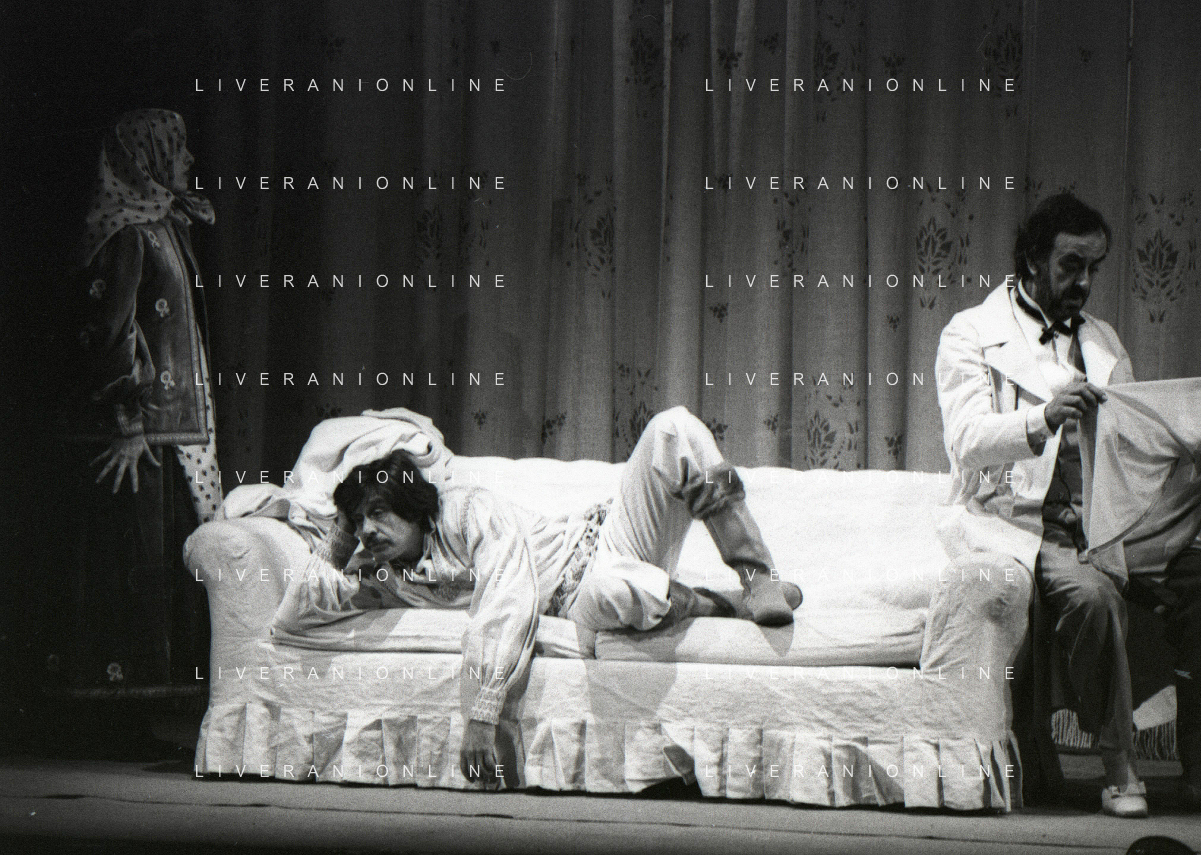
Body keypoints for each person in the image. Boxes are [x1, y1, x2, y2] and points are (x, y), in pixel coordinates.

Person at [273, 406, 802, 785]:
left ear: (412, 506)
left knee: (672, 426)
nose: (368, 530)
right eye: (359, 520)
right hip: (583, 600)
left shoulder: (465, 510)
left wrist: (482, 714)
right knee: (615, 591)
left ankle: (756, 575)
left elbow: (505, 596)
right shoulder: (379, 575)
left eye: (378, 512)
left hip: (606, 543)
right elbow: (293, 618)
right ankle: (717, 603)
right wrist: (342, 531)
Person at [936, 193, 1147, 815]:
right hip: (1016, 522)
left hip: (1100, 522)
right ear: (1032, 258)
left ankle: (1192, 765)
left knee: (1192, 580)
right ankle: (1120, 765)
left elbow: (1130, 440)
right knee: (1092, 598)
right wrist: (1044, 418)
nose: (1084, 283)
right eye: (1070, 265)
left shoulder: (1103, 340)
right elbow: (966, 440)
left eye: (1093, 268)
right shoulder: (971, 332)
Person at [66, 109, 221, 693]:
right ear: (147, 159)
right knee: (132, 564)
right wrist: (126, 420)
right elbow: (111, 334)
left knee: (169, 566)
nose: (188, 160)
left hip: (176, 428)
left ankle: (160, 699)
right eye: (177, 149)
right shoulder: (126, 234)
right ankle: (121, 708)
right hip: (142, 436)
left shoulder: (166, 225)